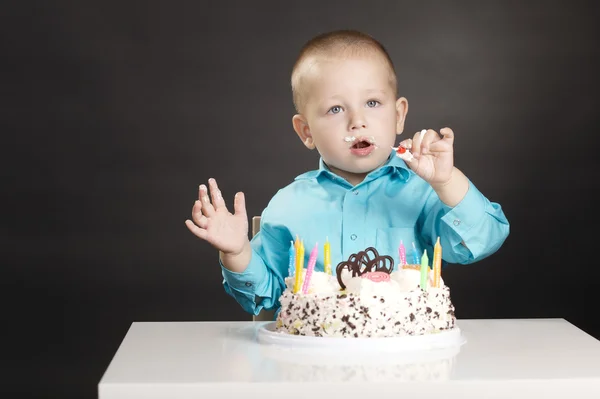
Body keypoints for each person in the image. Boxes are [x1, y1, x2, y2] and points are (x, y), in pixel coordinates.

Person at [185, 30, 509, 315]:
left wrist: (447, 180)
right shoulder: (288, 207)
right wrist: (237, 252)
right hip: (314, 367)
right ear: (305, 131)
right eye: (335, 109)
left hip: (408, 364)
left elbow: (483, 241)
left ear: (399, 116)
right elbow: (263, 295)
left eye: (372, 103)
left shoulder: (423, 191)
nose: (357, 121)